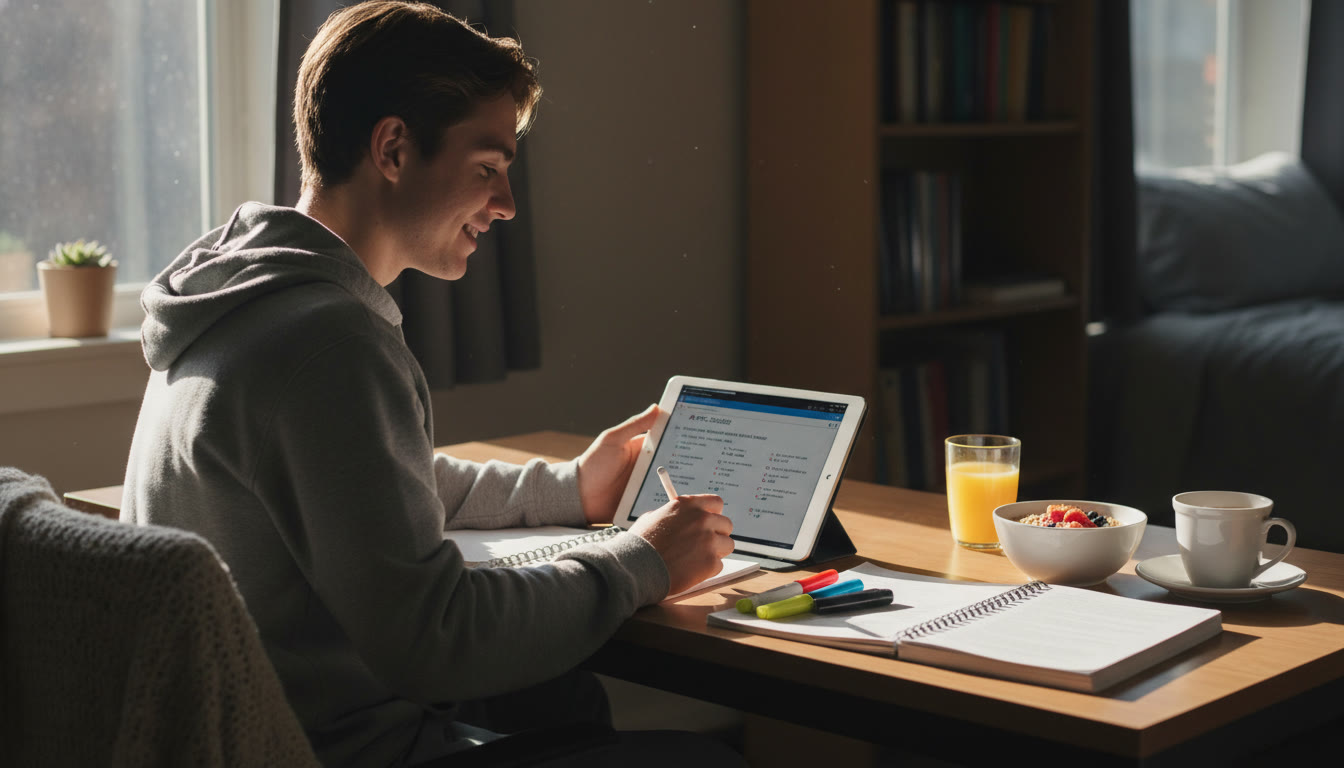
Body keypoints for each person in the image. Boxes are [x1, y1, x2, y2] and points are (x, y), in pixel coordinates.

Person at [120, 2, 742, 766]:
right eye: (486, 169)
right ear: (393, 149)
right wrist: (642, 562)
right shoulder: (327, 343)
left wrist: (570, 488)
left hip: (251, 736)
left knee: (558, 698)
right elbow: (437, 640)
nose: (507, 206)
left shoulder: (238, 300)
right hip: (334, 753)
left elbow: (369, 486)